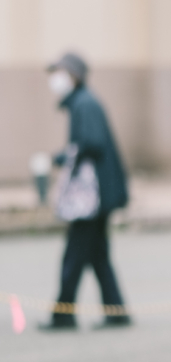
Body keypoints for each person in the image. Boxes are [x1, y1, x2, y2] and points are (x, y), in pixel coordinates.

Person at [39, 52, 130, 331]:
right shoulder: (82, 102)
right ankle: (116, 313)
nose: (55, 79)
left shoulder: (84, 104)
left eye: (60, 72)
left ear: (74, 76)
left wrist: (61, 159)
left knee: (75, 254)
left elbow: (91, 144)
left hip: (91, 197)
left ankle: (63, 315)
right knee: (97, 254)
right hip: (99, 194)